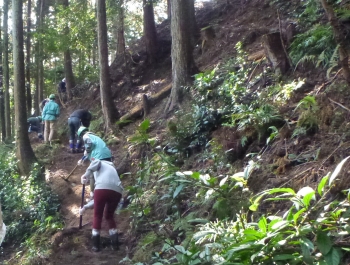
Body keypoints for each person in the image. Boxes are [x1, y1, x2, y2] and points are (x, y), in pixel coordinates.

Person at [79, 159, 123, 252]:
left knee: (97, 215)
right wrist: (85, 207)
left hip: (102, 188)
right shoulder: (112, 167)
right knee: (109, 215)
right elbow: (97, 200)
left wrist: (85, 175)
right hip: (118, 190)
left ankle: (96, 246)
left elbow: (94, 165)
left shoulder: (99, 161)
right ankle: (115, 244)